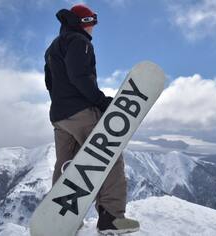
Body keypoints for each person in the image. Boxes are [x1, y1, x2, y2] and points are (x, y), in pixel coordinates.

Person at [44, 4, 139, 234]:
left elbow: (50, 83)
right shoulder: (80, 42)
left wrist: (63, 104)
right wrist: (100, 101)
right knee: (108, 156)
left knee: (66, 166)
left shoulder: (53, 47)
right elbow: (80, 77)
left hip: (59, 117)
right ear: (82, 23)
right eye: (90, 22)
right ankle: (111, 219)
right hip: (82, 112)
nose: (93, 27)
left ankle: (62, 220)